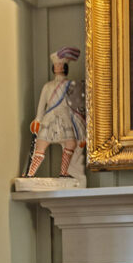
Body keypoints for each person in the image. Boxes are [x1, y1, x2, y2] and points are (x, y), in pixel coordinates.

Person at [26, 46, 86, 177]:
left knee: (70, 143)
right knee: (41, 146)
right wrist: (37, 119)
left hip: (65, 119)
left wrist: (80, 129)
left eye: (61, 64)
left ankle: (63, 172)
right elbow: (42, 105)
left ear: (65, 67)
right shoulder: (47, 86)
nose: (59, 67)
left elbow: (75, 106)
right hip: (50, 118)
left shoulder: (71, 85)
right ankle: (30, 174)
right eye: (57, 65)